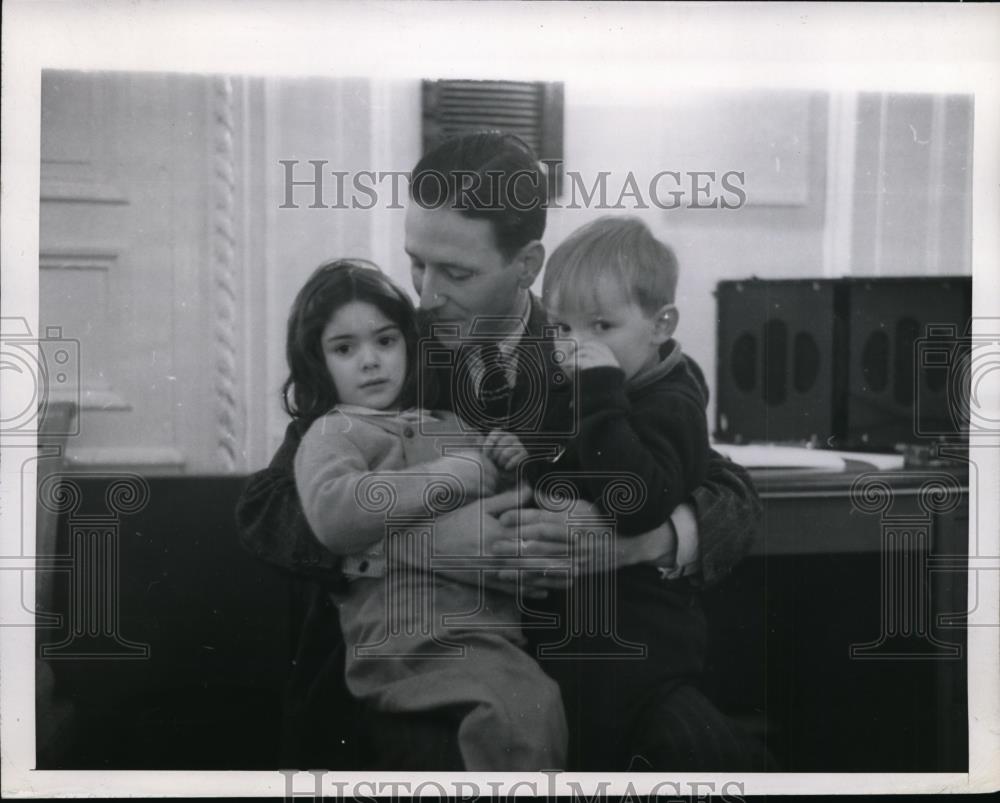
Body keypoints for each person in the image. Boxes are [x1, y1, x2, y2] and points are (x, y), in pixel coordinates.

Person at [236, 131, 763, 770]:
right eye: (416, 263)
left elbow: (728, 490)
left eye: (455, 273)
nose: (425, 296)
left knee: (702, 754)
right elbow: (265, 508)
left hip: (585, 658)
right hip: (419, 657)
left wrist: (635, 541)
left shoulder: (590, 340)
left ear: (527, 265)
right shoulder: (387, 347)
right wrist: (427, 541)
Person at [286, 259, 566, 770]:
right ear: (317, 362)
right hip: (404, 638)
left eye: (386, 341)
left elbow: (505, 500)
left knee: (535, 705)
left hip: (486, 631)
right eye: (345, 349)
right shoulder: (332, 433)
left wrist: (509, 459)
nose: (370, 361)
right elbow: (332, 512)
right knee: (520, 710)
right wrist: (450, 477)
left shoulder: (449, 422)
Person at [518, 215, 722, 769]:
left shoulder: (671, 402)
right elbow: (559, 461)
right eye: (561, 328)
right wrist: (521, 456)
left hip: (640, 639)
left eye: (601, 326)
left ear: (661, 325)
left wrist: (601, 393)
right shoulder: (582, 386)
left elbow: (634, 501)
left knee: (609, 739)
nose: (576, 347)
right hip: (570, 621)